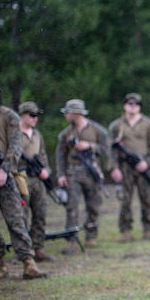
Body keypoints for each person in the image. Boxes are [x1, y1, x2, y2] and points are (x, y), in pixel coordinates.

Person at [0, 88, 47, 280]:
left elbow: (16, 145)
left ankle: (28, 262)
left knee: (16, 219)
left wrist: (4, 169)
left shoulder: (8, 116)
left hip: (5, 174)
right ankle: (0, 262)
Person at [56, 99, 111, 250]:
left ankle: (91, 236)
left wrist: (90, 146)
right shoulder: (65, 134)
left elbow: (106, 149)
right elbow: (60, 156)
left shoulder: (97, 130)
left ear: (76, 113)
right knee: (72, 205)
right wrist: (61, 174)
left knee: (93, 204)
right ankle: (71, 238)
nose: (65, 115)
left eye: (68, 112)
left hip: (91, 172)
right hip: (72, 172)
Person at [109, 93, 150, 242]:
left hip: (143, 166)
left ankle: (149, 229)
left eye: (136, 104)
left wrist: (148, 163)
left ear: (140, 107)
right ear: (125, 105)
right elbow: (111, 149)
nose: (133, 106)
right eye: (130, 104)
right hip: (125, 167)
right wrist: (114, 168)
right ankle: (126, 231)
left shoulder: (149, 124)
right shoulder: (117, 125)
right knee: (125, 199)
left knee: (147, 199)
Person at [18, 101, 55, 261]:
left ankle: (38, 248)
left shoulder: (37, 134)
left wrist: (46, 170)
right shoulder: (14, 134)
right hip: (21, 178)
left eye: (37, 116)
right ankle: (23, 252)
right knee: (21, 216)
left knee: (41, 214)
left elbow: (42, 155)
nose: (35, 119)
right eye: (32, 115)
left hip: (38, 179)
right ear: (22, 115)